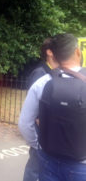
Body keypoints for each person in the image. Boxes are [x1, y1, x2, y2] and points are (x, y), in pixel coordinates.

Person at [18, 33, 86, 181]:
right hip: (81, 165)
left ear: (54, 55)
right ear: (77, 52)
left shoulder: (42, 82)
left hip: (49, 159)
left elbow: (24, 124)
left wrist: (38, 145)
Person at [23, 38, 59, 181]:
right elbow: (33, 104)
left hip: (49, 128)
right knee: (35, 165)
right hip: (41, 128)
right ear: (49, 52)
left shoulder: (53, 71)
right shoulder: (40, 72)